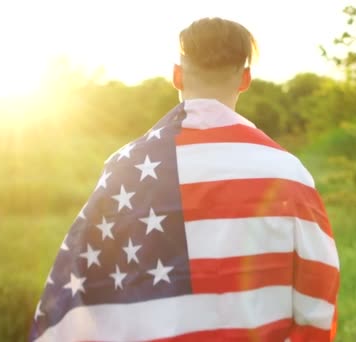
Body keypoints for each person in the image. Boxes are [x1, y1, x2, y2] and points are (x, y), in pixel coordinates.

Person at [29, 17, 340, 342]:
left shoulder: (124, 169)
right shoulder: (288, 173)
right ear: (245, 79)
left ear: (176, 76)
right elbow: (317, 297)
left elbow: (84, 287)